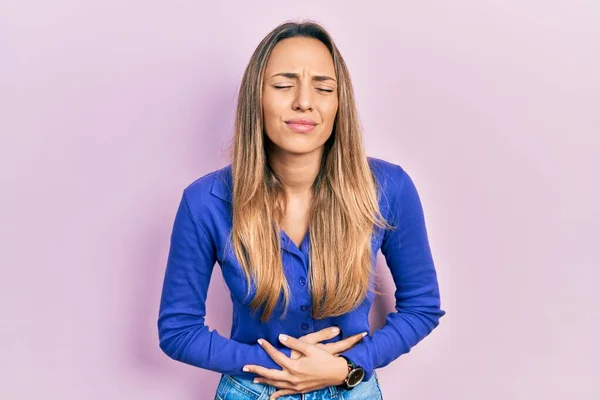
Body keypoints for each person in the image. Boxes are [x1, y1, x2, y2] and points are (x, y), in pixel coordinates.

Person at [157, 20, 446, 400]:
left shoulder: (390, 187)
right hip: (251, 391)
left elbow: (422, 306)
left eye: (323, 88)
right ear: (256, 98)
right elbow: (178, 330)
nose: (304, 102)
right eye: (283, 85)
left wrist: (347, 367)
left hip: (352, 389)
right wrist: (284, 369)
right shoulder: (204, 201)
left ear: (338, 102)